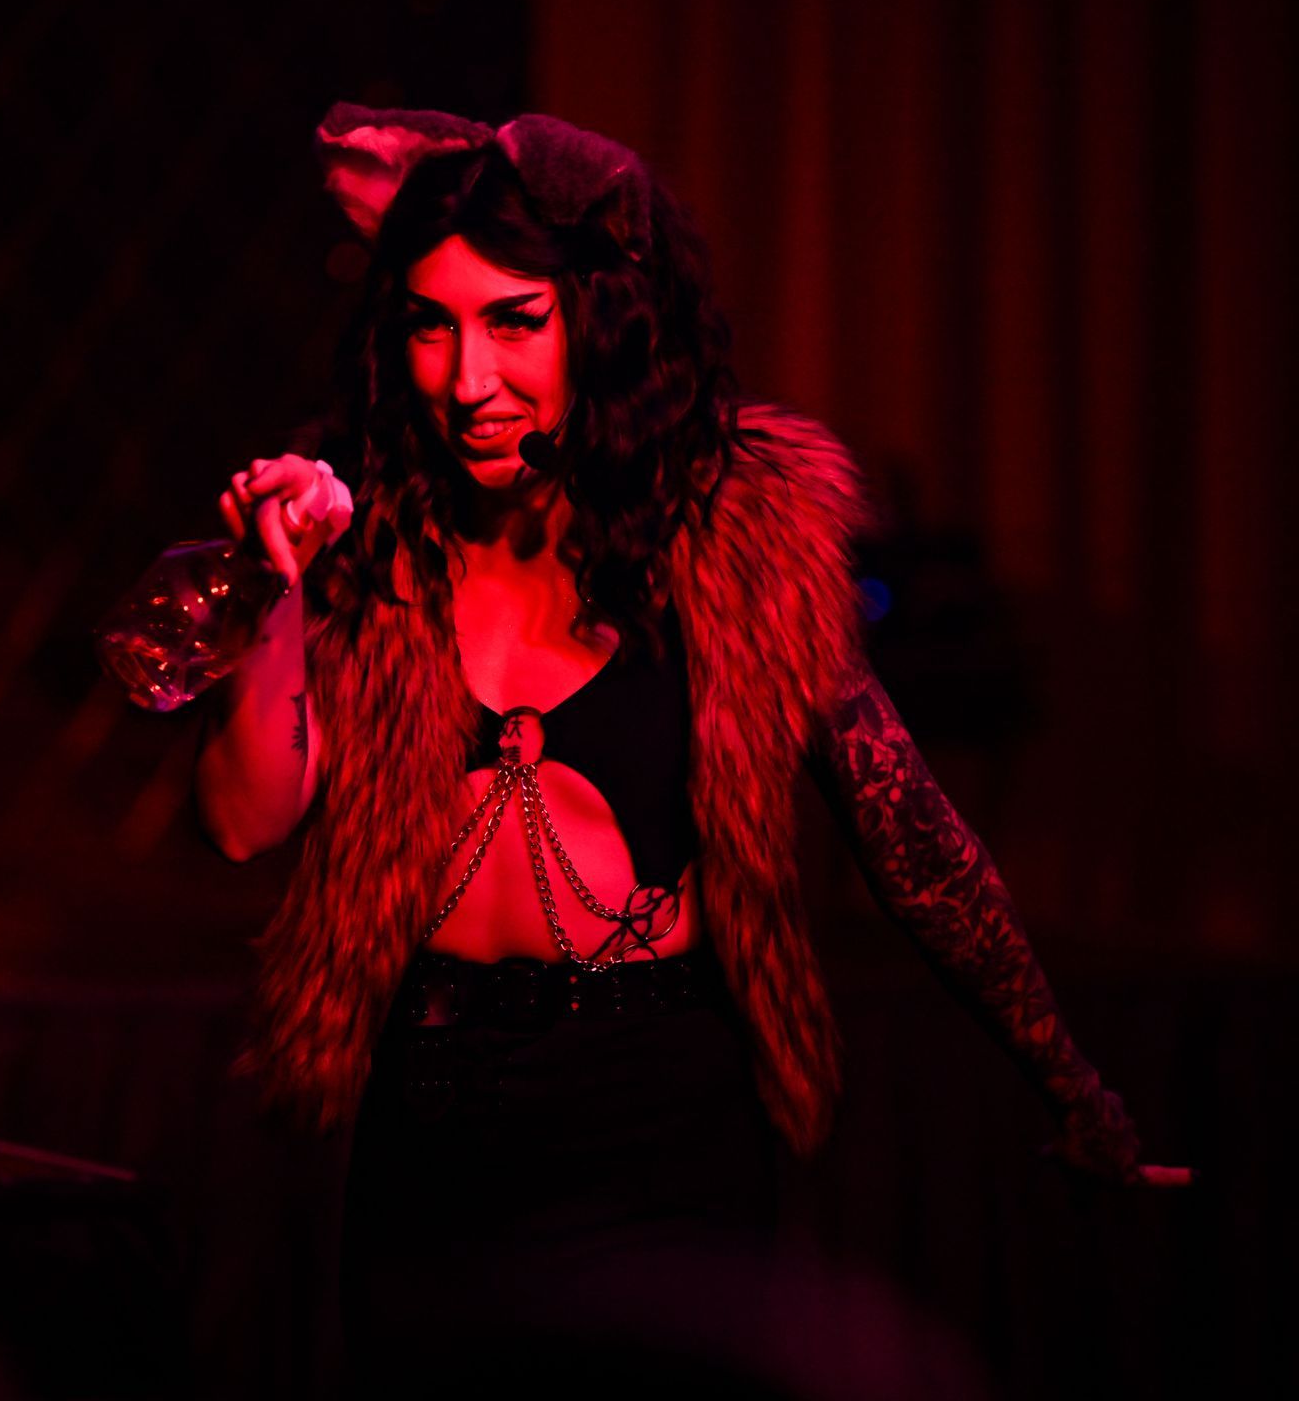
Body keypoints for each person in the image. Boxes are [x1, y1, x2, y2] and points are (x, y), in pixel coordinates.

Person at [192, 103, 1187, 1390]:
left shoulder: (726, 549)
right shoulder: (370, 540)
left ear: (598, 322)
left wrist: (1071, 1085)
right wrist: (276, 587)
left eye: (515, 322)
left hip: (654, 1120)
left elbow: (911, 839)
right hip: (429, 1127)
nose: (468, 378)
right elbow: (242, 822)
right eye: (432, 324)